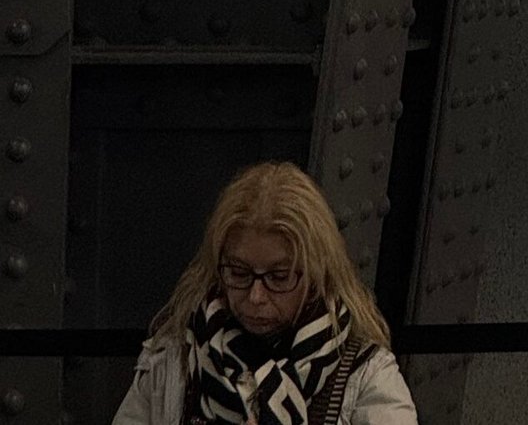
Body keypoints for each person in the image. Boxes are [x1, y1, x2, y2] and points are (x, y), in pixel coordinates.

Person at [113, 161, 417, 424]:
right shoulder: (174, 361)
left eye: (279, 277)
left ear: (316, 274)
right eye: (239, 273)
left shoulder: (366, 375)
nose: (256, 296)